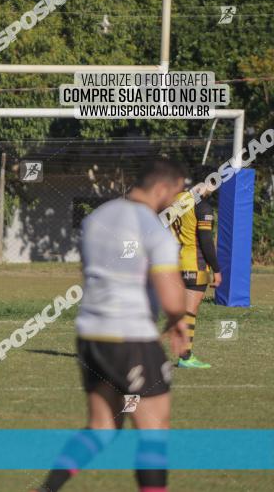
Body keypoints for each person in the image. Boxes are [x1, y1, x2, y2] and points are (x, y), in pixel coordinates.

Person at [35, 158, 189, 492]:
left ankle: (45, 489)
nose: (178, 201)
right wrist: (178, 320)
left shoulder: (97, 218)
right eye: (177, 193)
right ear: (163, 188)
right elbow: (173, 299)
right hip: (131, 337)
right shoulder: (152, 229)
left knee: (102, 426)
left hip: (90, 334)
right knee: (154, 430)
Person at [171, 181, 221, 368]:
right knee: (190, 312)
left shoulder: (177, 201)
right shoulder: (203, 207)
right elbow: (206, 242)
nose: (212, 192)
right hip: (195, 265)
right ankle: (185, 357)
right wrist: (216, 269)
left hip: (176, 263)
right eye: (212, 187)